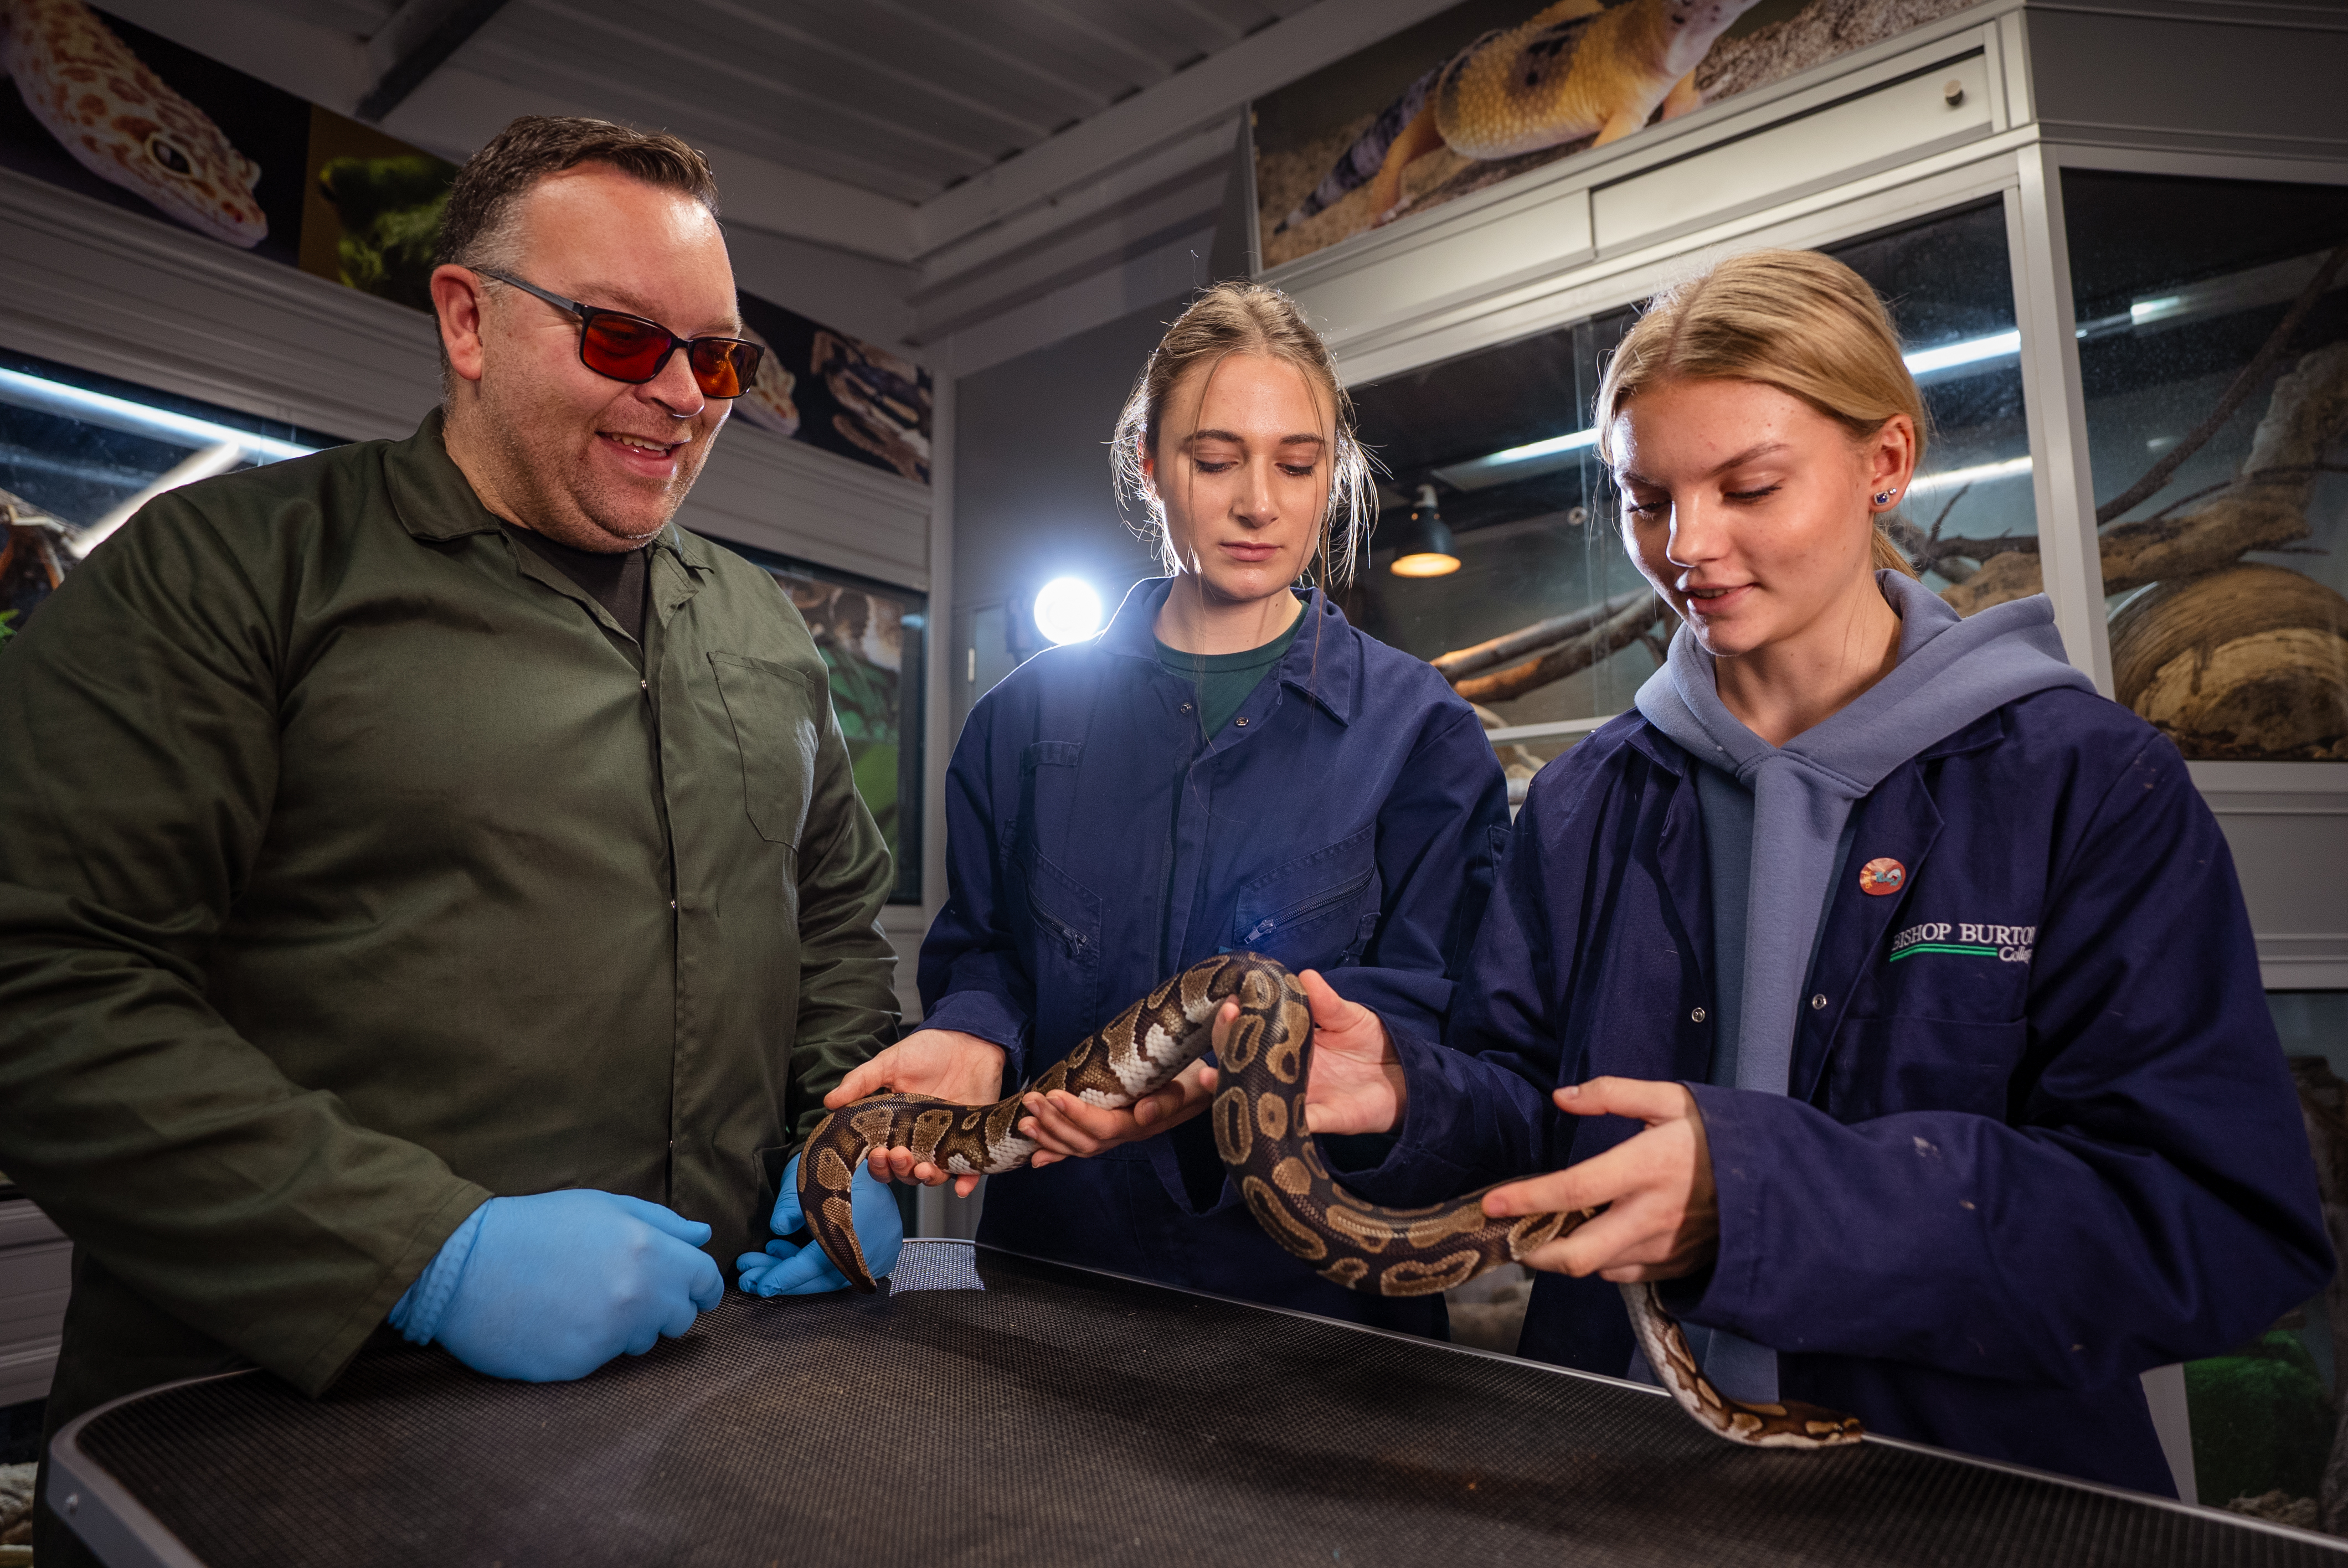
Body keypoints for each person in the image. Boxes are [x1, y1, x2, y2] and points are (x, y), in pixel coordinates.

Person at [0, 116, 979, 1564]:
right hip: (267, 1441)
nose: (681, 398)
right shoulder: (230, 577)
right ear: (466, 318)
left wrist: (842, 1144)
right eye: (621, 338)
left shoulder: (764, 631)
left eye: (716, 360)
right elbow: (45, 985)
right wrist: (420, 1257)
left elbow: (829, 924)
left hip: (693, 1417)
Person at [1300, 249, 2331, 1488]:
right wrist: (1407, 1094)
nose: (1687, 546)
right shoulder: (1587, 800)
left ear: (1884, 464)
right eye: (1645, 498)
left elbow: (2213, 1225)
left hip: (1960, 1497)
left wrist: (1760, 1196)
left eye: (1748, 487)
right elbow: (1535, 1116)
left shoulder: (2086, 787)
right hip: (1617, 1482)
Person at [831, 281, 1510, 1334]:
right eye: (1215, 458)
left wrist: (1272, 1066)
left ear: (1333, 474)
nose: (1260, 504)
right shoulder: (1020, 723)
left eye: (1297, 464)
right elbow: (986, 951)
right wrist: (973, 1034)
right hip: (1052, 1291)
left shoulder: (1422, 734)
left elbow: (1444, 1024)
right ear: (1150, 466)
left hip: (1315, 1332)